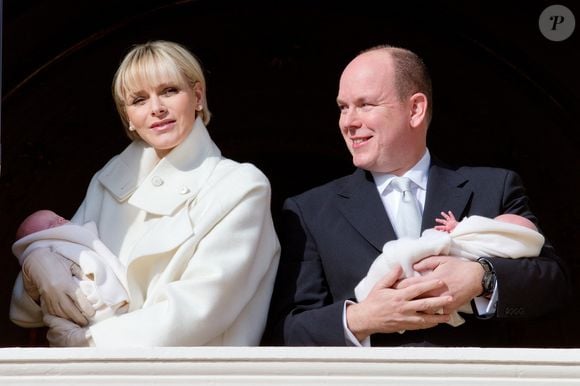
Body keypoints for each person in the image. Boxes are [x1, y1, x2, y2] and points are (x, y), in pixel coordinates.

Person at [262, 44, 571, 347]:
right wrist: (360, 318)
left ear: (415, 109)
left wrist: (481, 279)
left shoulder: (494, 187)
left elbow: (553, 285)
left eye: (365, 104)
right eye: (343, 107)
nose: (348, 122)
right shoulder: (310, 211)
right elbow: (285, 332)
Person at [10, 40, 281, 347]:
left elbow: (201, 308)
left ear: (197, 96)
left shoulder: (240, 186)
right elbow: (32, 306)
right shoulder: (111, 179)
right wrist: (38, 266)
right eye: (139, 100)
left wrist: (90, 342)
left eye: (169, 91)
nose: (156, 109)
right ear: (127, 116)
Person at [354, 211, 545, 328]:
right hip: (375, 360)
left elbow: (548, 276)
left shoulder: (501, 185)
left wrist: (482, 276)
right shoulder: (323, 203)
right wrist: (359, 317)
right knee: (396, 260)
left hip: (471, 357)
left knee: (406, 254)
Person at [13, 209, 129, 325]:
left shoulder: (74, 232)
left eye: (59, 217)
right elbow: (22, 314)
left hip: (110, 303)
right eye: (50, 224)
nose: (60, 220)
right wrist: (33, 260)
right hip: (78, 307)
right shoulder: (46, 246)